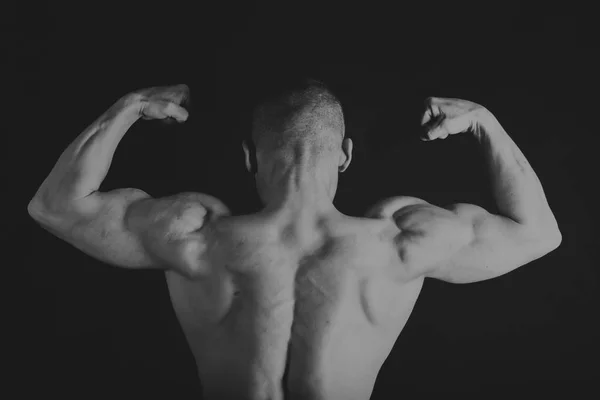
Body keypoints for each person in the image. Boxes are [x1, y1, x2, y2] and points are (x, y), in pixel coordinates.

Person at [28, 79, 562, 400]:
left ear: (248, 157)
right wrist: (484, 123)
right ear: (346, 155)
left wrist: (130, 106)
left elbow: (55, 206)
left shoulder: (195, 234)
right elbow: (537, 233)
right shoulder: (398, 241)